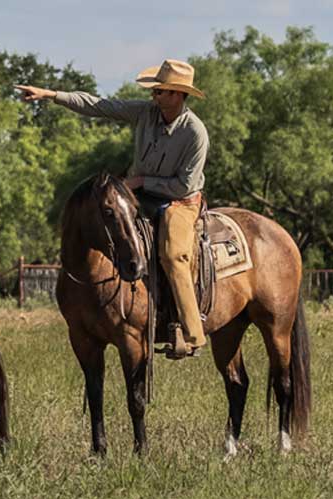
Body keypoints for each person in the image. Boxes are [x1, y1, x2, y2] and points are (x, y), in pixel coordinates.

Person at [16, 59, 211, 359]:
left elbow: (184, 186)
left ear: (177, 95)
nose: (154, 96)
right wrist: (51, 94)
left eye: (160, 91)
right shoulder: (146, 113)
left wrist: (141, 180)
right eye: (155, 91)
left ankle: (190, 333)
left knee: (173, 254)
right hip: (138, 193)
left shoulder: (195, 132)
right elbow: (99, 105)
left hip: (179, 202)